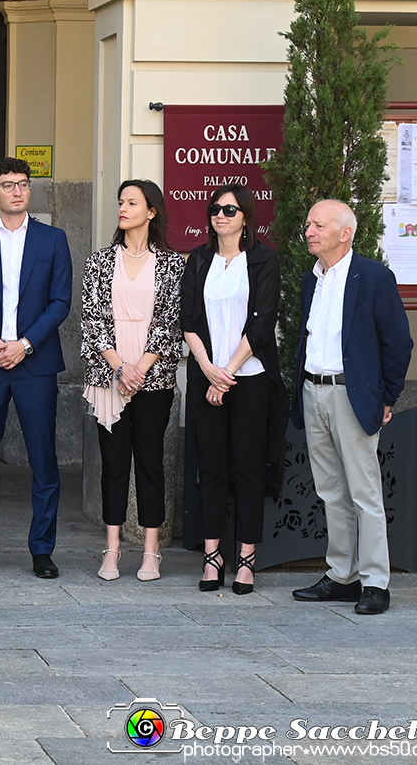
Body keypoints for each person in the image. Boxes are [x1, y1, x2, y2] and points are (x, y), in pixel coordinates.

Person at [291, 199, 412, 615]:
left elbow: (398, 342)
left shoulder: (374, 277)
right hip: (314, 392)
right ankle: (342, 575)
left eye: (317, 224)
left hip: (352, 395)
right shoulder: (313, 278)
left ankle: (375, 581)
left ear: (345, 233)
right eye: (308, 224)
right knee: (330, 491)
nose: (308, 230)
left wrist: (386, 396)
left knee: (364, 493)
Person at [0, 157, 72, 579]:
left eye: (23, 184)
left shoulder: (53, 240)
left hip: (34, 364)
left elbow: (60, 301)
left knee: (44, 461)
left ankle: (42, 550)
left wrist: (23, 345)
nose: (17, 191)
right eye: (8, 185)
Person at [181, 184, 286, 595]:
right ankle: (212, 557)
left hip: (251, 378)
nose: (220, 215)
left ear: (245, 217)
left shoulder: (263, 259)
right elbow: (187, 319)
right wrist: (209, 370)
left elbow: (262, 324)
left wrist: (228, 371)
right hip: (208, 378)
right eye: (215, 209)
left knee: (246, 468)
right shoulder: (199, 259)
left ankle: (246, 558)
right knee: (210, 468)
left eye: (229, 209)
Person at [80, 180, 184, 582]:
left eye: (132, 202)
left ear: (151, 211)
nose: (123, 208)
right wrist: (120, 367)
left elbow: (170, 322)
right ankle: (111, 549)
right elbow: (92, 322)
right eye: (120, 201)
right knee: (113, 464)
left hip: (153, 378)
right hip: (110, 375)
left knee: (151, 463)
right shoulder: (99, 262)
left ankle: (151, 551)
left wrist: (140, 367)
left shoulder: (173, 264)